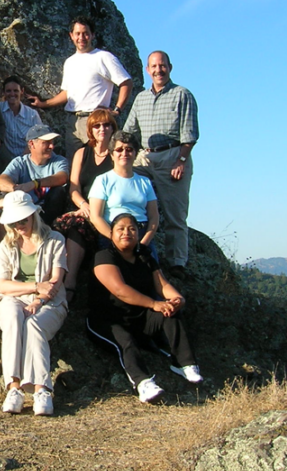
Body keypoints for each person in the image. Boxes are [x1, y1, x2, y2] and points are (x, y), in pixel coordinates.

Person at [89, 214, 202, 403]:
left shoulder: (144, 256)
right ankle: (143, 383)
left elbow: (161, 284)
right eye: (121, 229)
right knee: (125, 342)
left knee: (171, 314)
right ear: (111, 233)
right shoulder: (103, 256)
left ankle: (184, 363)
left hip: (139, 318)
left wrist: (176, 299)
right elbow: (120, 290)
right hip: (107, 320)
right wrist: (154, 304)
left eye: (132, 228)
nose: (127, 232)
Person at [123, 51, 198, 272]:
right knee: (129, 199)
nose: (158, 70)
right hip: (144, 156)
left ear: (170, 67)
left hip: (173, 155)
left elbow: (190, 134)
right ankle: (133, 250)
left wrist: (181, 161)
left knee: (175, 213)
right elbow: (129, 131)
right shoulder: (141, 98)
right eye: (154, 66)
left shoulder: (182, 95)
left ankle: (177, 263)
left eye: (162, 66)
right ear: (148, 70)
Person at [0, 191, 68, 416]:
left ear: (34, 216)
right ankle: (14, 387)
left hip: (51, 300)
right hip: (15, 297)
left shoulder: (55, 239)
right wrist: (36, 287)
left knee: (34, 325)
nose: (19, 225)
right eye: (15, 222)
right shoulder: (5, 246)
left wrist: (39, 299)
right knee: (12, 319)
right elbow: (3, 286)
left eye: (23, 219)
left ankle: (41, 389)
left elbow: (56, 280)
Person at [29, 17, 133, 157]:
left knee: (100, 160)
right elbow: (67, 93)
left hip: (96, 120)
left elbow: (126, 82)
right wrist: (44, 103)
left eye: (85, 33)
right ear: (71, 36)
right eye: (77, 33)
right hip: (73, 121)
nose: (81, 37)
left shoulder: (103, 57)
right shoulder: (70, 62)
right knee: (74, 165)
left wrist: (117, 110)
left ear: (92, 35)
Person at [53, 110, 118, 301]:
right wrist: (83, 204)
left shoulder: (116, 155)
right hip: (84, 208)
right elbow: (73, 186)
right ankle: (64, 281)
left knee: (78, 226)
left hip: (107, 210)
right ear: (90, 129)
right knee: (73, 226)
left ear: (113, 128)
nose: (102, 129)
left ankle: (70, 282)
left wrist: (96, 209)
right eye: (97, 125)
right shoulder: (82, 153)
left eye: (107, 125)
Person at [89, 132, 159, 255]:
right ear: (111, 154)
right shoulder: (103, 180)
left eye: (129, 149)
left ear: (135, 153)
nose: (124, 153)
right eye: (119, 149)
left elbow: (154, 217)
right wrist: (117, 239)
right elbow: (96, 217)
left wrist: (143, 243)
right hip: (111, 233)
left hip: (140, 233)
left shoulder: (144, 182)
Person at [0, 124, 69, 224]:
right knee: (7, 194)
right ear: (32, 144)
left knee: (58, 191)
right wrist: (17, 190)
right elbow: (0, 181)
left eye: (52, 142)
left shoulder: (59, 160)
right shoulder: (20, 162)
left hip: (49, 212)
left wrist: (34, 184)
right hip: (25, 211)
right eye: (46, 143)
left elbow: (62, 177)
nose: (52, 146)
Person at [0, 76, 43, 158]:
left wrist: (22, 161)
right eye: (8, 91)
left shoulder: (32, 114)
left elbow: (39, 138)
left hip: (28, 158)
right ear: (4, 92)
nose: (12, 94)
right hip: (5, 160)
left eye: (15, 90)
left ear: (22, 91)